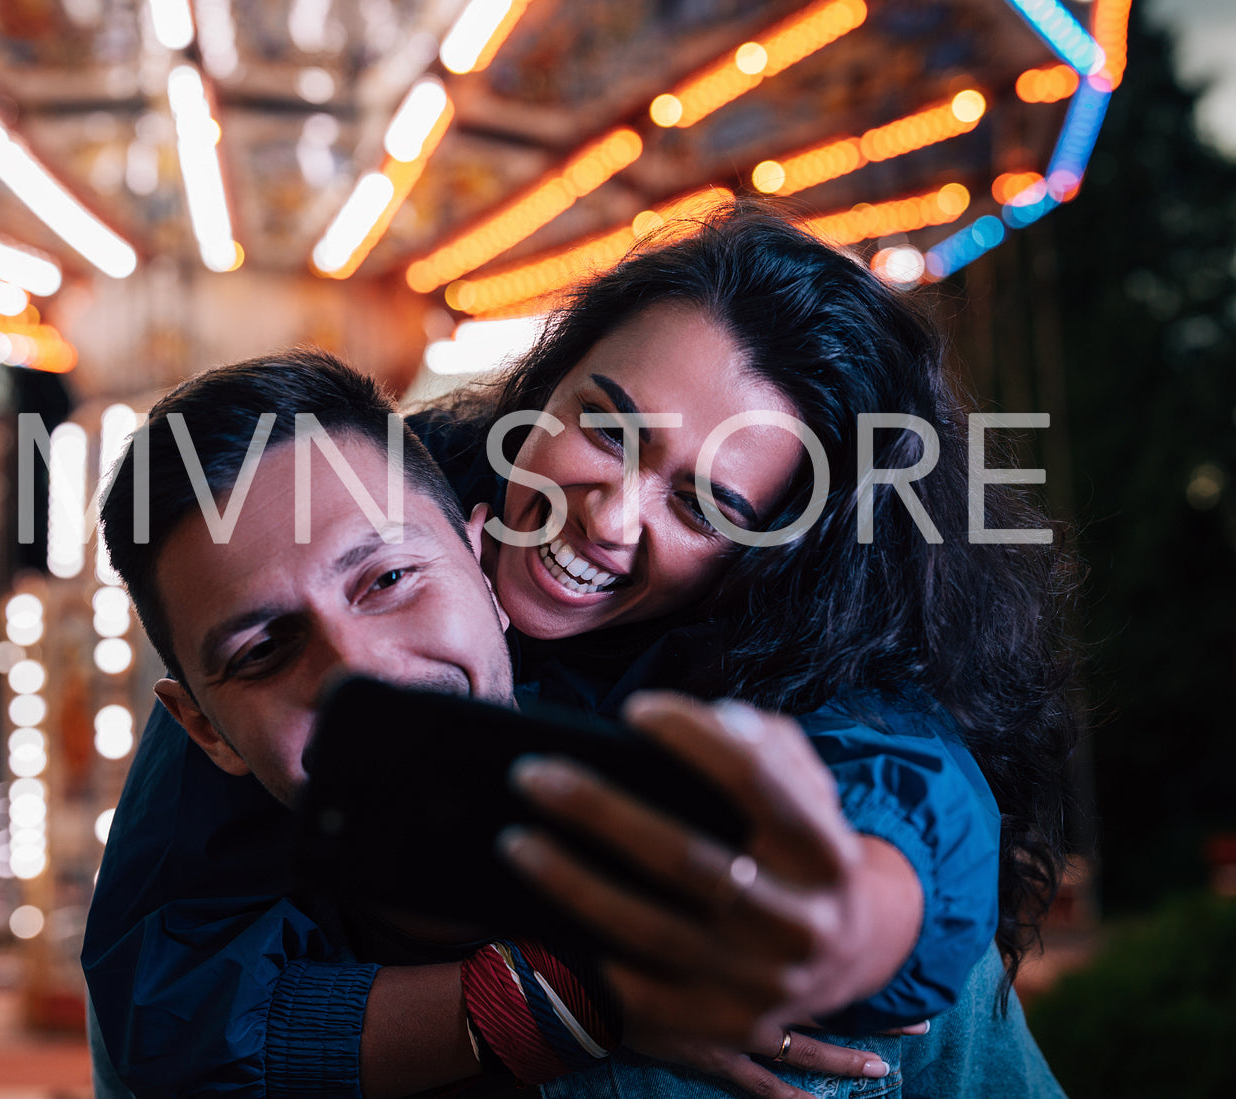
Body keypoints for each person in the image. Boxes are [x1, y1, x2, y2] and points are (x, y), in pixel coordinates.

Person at [86, 207, 1076, 1092]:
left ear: (764, 559)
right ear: (543, 386)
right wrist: (575, 998)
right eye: (602, 426)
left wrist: (835, 927)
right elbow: (164, 1013)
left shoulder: (786, 644)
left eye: (702, 503)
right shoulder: (330, 529)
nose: (604, 517)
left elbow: (903, 796)